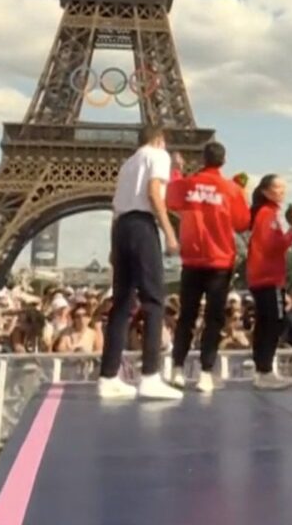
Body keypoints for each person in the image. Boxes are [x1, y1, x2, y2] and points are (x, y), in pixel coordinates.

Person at [98, 125, 183, 401]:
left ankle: (109, 377)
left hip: (121, 228)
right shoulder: (158, 155)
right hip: (142, 226)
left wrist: (113, 248)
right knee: (155, 300)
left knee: (121, 304)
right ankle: (150, 376)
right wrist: (169, 232)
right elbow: (154, 193)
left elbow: (116, 210)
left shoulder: (127, 164)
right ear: (160, 140)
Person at [165, 141, 249, 393]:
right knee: (213, 320)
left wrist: (176, 171)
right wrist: (241, 193)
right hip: (220, 262)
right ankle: (205, 373)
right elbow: (243, 223)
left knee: (186, 317)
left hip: (192, 260)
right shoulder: (230, 189)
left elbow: (170, 199)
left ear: (203, 159)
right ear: (223, 161)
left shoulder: (188, 185)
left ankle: (177, 369)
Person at [246, 174, 292, 390]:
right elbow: (274, 245)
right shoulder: (268, 215)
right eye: (278, 187)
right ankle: (265, 370)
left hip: (260, 275)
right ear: (266, 191)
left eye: (283, 187)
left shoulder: (263, 213)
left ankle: (262, 370)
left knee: (265, 323)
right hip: (269, 276)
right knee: (273, 323)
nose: (282, 191)